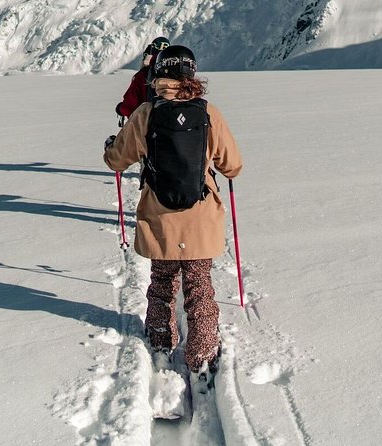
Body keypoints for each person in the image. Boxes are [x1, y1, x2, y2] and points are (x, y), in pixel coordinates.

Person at [103, 45, 243, 385]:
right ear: (192, 74)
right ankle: (204, 352)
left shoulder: (146, 113)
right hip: (200, 216)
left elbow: (116, 161)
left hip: (159, 216)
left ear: (160, 73)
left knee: (163, 284)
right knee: (199, 287)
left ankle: (161, 340)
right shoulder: (209, 113)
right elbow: (233, 166)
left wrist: (111, 146)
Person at [115, 36, 170, 119]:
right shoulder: (180, 73)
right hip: (184, 125)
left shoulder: (144, 74)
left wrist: (120, 109)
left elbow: (129, 107)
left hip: (151, 124)